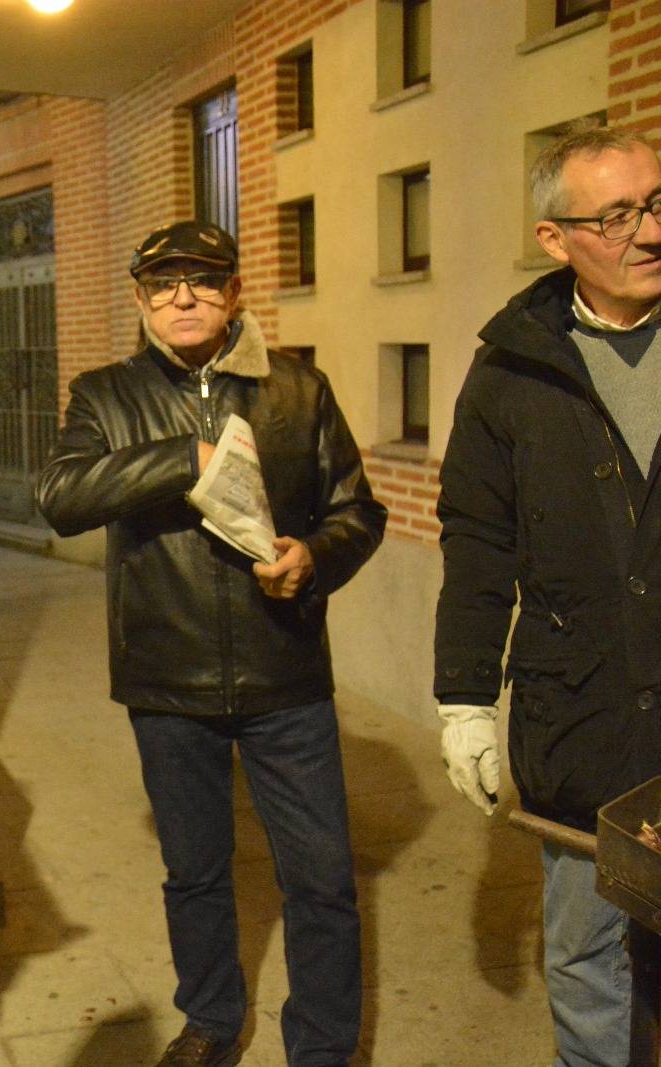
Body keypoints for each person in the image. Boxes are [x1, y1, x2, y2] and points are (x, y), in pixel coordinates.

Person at [36, 220, 386, 1067]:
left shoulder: (299, 391)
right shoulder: (105, 394)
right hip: (167, 673)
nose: (183, 296)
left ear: (234, 292)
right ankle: (212, 1019)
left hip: (285, 672)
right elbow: (61, 493)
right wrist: (180, 458)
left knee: (321, 877)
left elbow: (358, 511)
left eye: (202, 278)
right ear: (141, 301)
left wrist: (315, 557)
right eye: (163, 283)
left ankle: (325, 1044)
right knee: (195, 871)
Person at [434, 121, 661, 1067]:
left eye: (657, 203)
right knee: (588, 951)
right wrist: (464, 701)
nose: (649, 231)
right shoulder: (510, 371)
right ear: (555, 238)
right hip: (581, 710)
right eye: (617, 215)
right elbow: (479, 545)